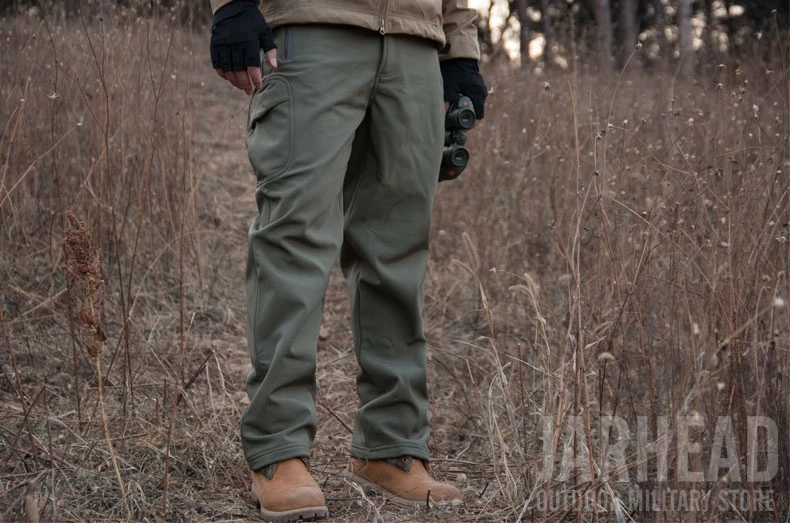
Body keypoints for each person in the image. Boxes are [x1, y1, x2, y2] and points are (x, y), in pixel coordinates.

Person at [208, 1, 488, 521]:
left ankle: (391, 446)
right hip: (312, 31)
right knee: (294, 238)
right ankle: (279, 450)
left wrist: (460, 47)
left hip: (415, 42)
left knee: (398, 251)